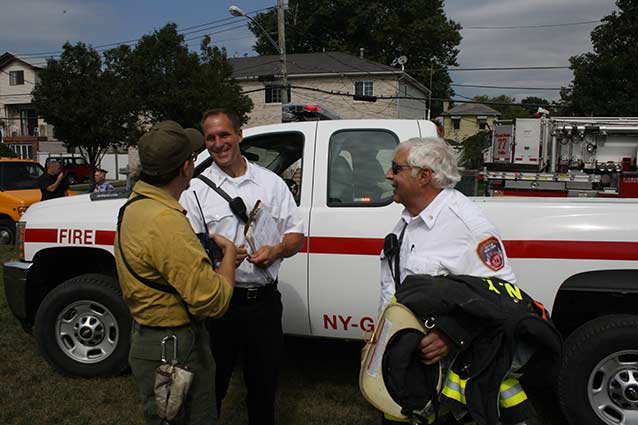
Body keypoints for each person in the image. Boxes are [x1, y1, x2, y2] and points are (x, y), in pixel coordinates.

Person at [379, 137, 525, 425]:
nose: (388, 175)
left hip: (449, 377)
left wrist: (451, 332)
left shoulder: (467, 225)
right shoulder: (410, 218)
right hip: (409, 366)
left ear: (424, 176)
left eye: (396, 168)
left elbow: (507, 296)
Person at [180, 108, 304, 425]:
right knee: (212, 386)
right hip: (221, 303)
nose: (218, 143)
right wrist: (217, 254)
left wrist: (276, 250)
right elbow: (187, 246)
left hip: (263, 303)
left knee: (263, 387)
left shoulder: (271, 184)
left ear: (239, 135)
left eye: (224, 135)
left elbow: (296, 236)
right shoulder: (195, 191)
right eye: (211, 137)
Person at [115, 120, 237, 425]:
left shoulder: (135, 206)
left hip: (150, 339)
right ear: (185, 168)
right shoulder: (166, 221)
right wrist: (230, 257)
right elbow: (213, 301)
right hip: (175, 350)